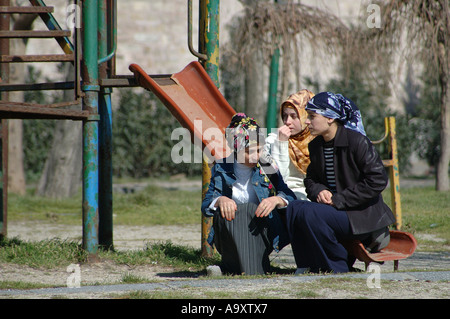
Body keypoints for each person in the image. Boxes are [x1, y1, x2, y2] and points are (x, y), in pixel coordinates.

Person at [286, 92, 396, 273]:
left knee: (310, 212)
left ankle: (338, 266)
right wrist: (319, 190)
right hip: (337, 211)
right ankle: (306, 265)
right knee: (294, 207)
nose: (307, 122)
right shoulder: (316, 146)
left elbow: (377, 180)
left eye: (312, 117)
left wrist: (339, 199)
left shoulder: (357, 142)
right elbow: (311, 179)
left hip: (361, 214)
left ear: (330, 118)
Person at [201, 113, 296, 275]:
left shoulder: (266, 166)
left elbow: (289, 195)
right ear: (236, 148)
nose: (255, 156)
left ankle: (230, 269)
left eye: (259, 149)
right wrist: (220, 200)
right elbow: (206, 205)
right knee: (238, 211)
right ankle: (253, 267)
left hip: (260, 229)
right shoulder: (222, 167)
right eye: (249, 151)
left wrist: (276, 200)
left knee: (250, 210)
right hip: (231, 229)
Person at [264, 90, 316, 200]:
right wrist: (281, 144)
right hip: (283, 198)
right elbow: (275, 180)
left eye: (293, 116)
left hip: (313, 197)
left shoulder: (318, 140)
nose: (287, 121)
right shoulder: (273, 140)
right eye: (285, 116)